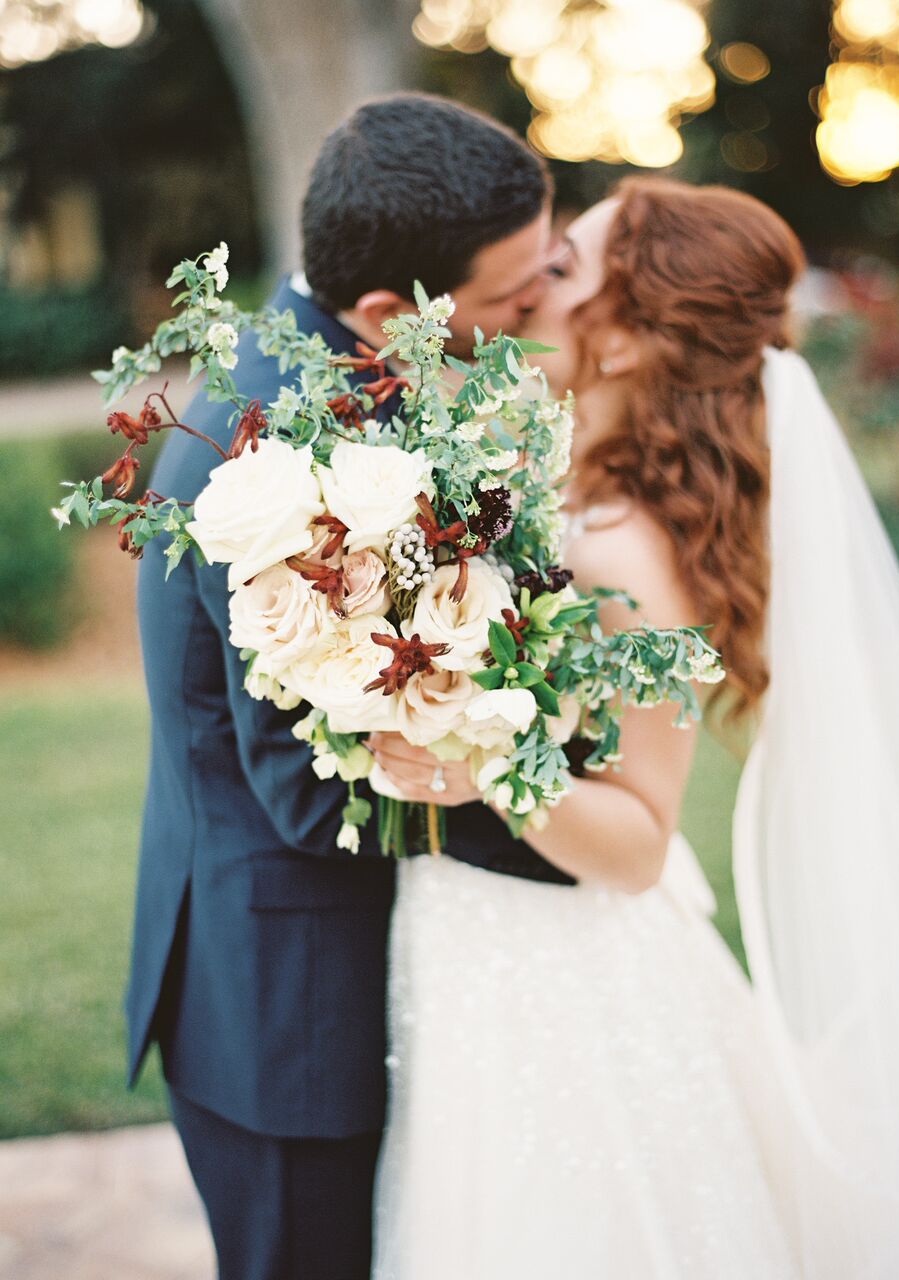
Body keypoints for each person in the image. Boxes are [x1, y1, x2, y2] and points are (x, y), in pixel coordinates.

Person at [369, 178, 899, 1277]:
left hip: (562, 980)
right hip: (483, 941)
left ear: (626, 340)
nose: (529, 287)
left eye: (561, 269)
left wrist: (482, 755)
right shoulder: (557, 480)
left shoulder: (622, 551)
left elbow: (638, 840)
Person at [127, 92, 566, 1280]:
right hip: (287, 1019)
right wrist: (567, 826)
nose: (542, 300)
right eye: (516, 288)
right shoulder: (281, 463)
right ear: (387, 311)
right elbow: (312, 793)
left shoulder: (324, 377)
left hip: (299, 980)